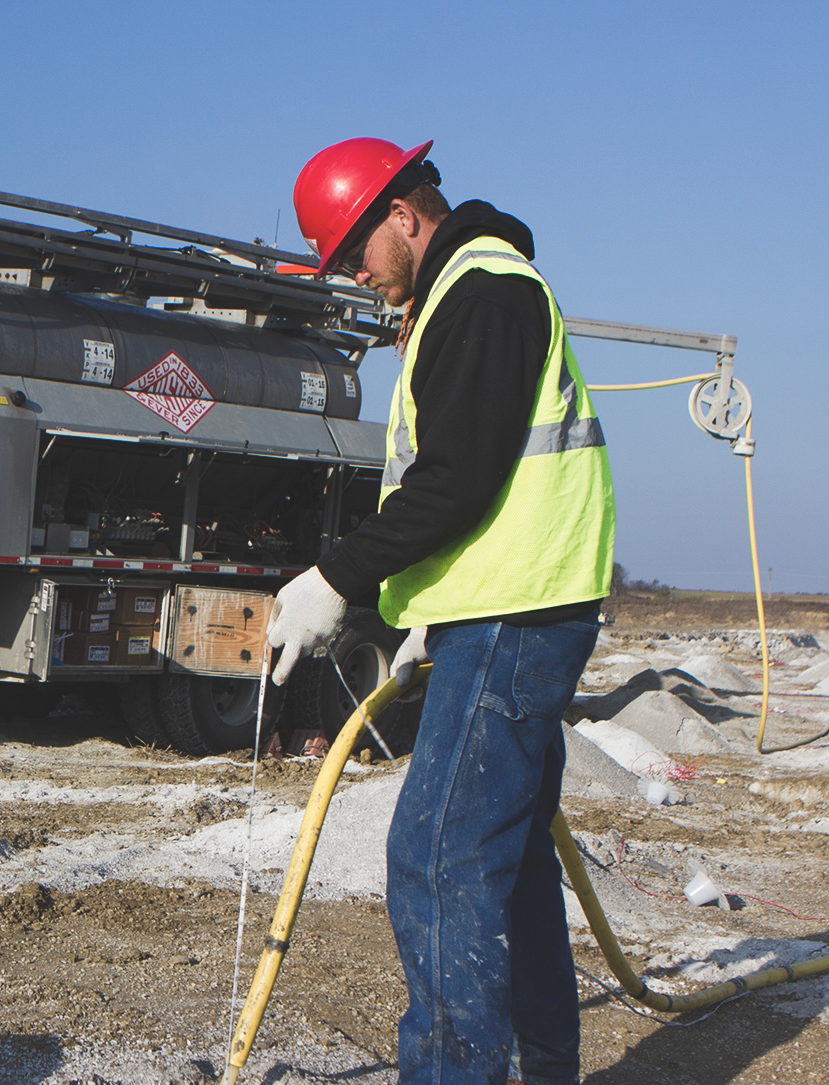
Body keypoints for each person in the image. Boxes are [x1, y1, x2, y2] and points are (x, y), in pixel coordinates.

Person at [265, 138, 615, 1085]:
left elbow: (456, 479)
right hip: (502, 611)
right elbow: (475, 481)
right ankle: (544, 1068)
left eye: (353, 254)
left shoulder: (481, 293)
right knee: (508, 863)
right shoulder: (464, 294)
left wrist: (333, 578)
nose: (354, 278)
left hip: (519, 615)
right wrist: (427, 609)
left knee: (436, 857)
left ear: (400, 215)